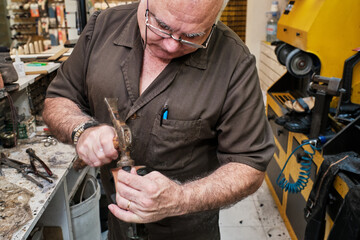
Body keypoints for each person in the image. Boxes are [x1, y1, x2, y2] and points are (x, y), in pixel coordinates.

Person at [42, 0, 275, 239]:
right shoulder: (103, 27)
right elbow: (59, 98)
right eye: (162, 26)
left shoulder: (235, 62)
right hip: (119, 228)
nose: (172, 45)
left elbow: (250, 164)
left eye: (193, 36)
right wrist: (82, 129)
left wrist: (181, 199)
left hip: (188, 232)